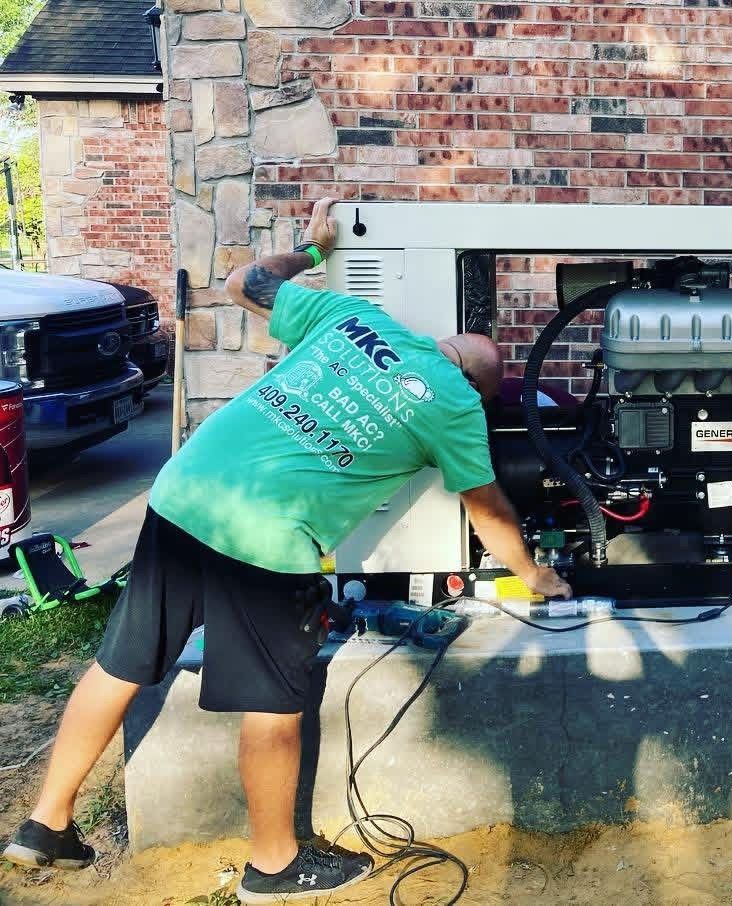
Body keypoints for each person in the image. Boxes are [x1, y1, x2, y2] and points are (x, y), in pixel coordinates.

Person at [2, 197, 569, 903]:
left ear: (444, 343)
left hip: (186, 490)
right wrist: (533, 573)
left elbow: (246, 283)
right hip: (267, 539)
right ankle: (274, 866)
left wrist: (317, 249)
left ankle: (44, 822)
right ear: (479, 386)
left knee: (120, 662)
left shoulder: (357, 321)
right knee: (274, 705)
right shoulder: (454, 406)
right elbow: (486, 509)